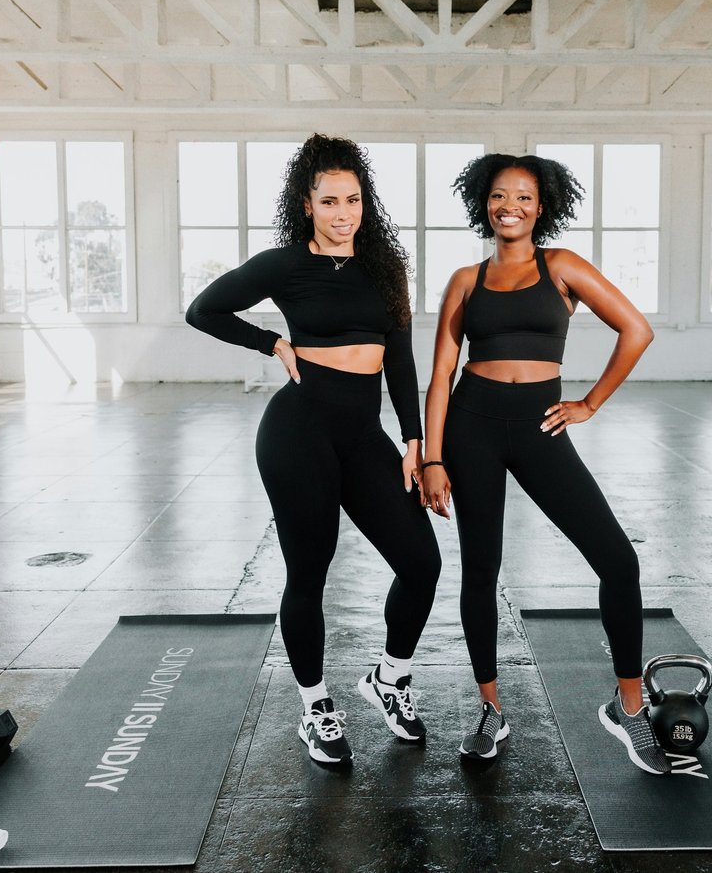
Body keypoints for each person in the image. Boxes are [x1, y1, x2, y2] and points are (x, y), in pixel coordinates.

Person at [186, 134, 440, 765]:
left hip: (363, 435)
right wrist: (271, 342)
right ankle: (315, 706)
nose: (343, 213)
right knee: (311, 569)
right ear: (307, 204)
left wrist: (414, 440)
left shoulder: (386, 268)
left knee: (421, 562)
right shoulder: (284, 264)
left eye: (353, 199)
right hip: (297, 433)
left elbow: (401, 364)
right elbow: (203, 310)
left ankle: (389, 677)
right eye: (329, 201)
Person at [420, 153, 664, 774]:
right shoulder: (466, 280)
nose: (511, 207)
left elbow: (636, 329)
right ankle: (489, 708)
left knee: (617, 559)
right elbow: (441, 374)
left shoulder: (561, 266)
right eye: (500, 196)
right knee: (480, 570)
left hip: (538, 421)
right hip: (471, 423)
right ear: (484, 202)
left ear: (542, 206)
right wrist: (433, 457)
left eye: (524, 198)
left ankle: (629, 707)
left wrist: (588, 403)